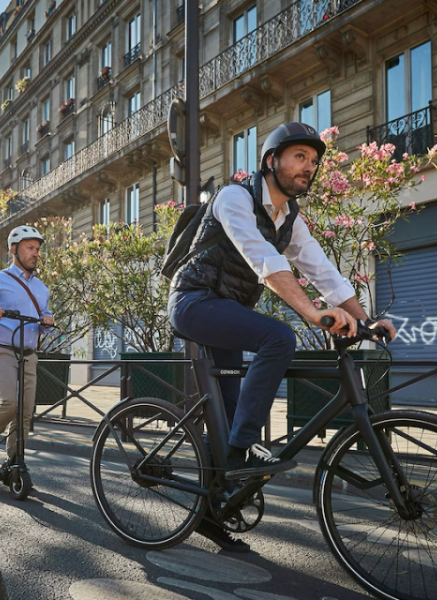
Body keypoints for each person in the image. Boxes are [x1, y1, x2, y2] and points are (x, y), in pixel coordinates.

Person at [168, 122, 397, 552]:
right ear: (271, 161)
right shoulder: (235, 197)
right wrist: (312, 313)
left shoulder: (290, 219)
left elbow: (323, 271)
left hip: (228, 312)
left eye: (313, 162)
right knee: (279, 339)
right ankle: (242, 454)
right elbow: (262, 259)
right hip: (194, 302)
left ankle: (213, 506)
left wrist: (363, 321)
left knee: (233, 413)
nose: (308, 167)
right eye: (299, 157)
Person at [0, 226, 55, 469]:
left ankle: (15, 460)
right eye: (30, 248)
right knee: (10, 401)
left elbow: (44, 321)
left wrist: (48, 321)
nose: (35, 253)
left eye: (37, 249)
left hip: (28, 354)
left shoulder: (41, 288)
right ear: (13, 250)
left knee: (25, 412)